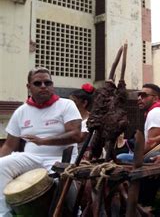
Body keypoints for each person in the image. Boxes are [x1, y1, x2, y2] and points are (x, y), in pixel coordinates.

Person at [0, 67, 82, 216]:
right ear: (28, 87)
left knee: (65, 192)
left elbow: (76, 135)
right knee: (1, 166)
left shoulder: (66, 105)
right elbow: (9, 145)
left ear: (52, 85)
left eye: (47, 82)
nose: (43, 86)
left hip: (61, 159)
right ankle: (4, 214)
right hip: (32, 159)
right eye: (38, 83)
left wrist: (44, 141)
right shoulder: (21, 111)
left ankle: (77, 213)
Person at [116, 83, 160, 163]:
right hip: (156, 152)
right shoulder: (158, 111)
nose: (139, 98)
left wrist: (136, 155)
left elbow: (152, 143)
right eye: (139, 95)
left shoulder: (155, 112)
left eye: (143, 95)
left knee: (120, 157)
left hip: (157, 155)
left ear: (155, 98)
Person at [69, 83, 95, 153]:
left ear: (84, 103)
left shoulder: (91, 120)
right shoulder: (69, 118)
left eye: (74, 102)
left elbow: (79, 138)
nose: (70, 105)